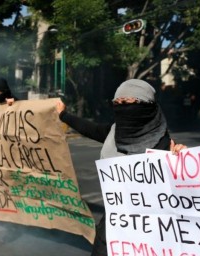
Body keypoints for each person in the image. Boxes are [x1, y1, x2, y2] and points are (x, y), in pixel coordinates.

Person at [55, 79, 186, 255]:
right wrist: (64, 115)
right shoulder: (114, 133)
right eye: (117, 103)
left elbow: (181, 192)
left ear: (146, 104)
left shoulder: (164, 144)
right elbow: (90, 129)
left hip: (148, 233)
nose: (121, 107)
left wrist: (182, 159)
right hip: (113, 224)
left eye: (127, 102)